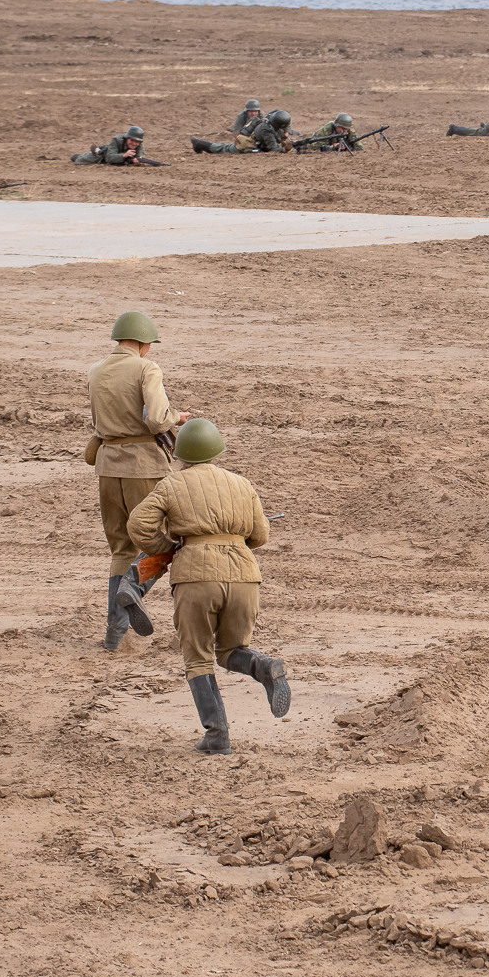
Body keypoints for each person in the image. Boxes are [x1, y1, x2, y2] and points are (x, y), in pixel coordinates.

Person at [126, 418, 288, 755]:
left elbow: (138, 525)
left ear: (181, 453)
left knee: (198, 659)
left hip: (195, 575)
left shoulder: (172, 486)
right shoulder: (242, 484)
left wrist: (166, 546)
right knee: (230, 652)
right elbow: (260, 535)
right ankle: (264, 666)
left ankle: (217, 736)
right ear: (216, 449)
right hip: (245, 575)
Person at [87, 311, 192, 650]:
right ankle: (135, 588)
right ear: (145, 344)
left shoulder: (96, 370)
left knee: (121, 548)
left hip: (107, 466)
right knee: (167, 540)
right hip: (143, 466)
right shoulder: (147, 368)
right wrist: (180, 416)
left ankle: (114, 636)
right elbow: (159, 419)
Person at [192, 109, 291, 154]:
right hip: (249, 144)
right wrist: (285, 149)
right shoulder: (266, 129)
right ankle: (199, 144)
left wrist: (285, 134)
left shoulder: (273, 116)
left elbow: (285, 123)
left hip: (258, 143)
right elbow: (274, 149)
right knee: (225, 149)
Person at [72, 126, 151, 165]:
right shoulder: (117, 139)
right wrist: (124, 155)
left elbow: (141, 158)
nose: (134, 144)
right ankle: (80, 155)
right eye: (131, 140)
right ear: (127, 138)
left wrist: (138, 161)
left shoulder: (140, 144)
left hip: (119, 159)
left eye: (137, 142)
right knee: (80, 160)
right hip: (103, 156)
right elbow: (109, 158)